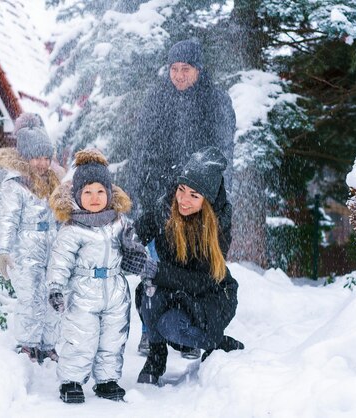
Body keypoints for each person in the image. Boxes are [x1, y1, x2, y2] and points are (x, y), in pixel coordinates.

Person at [124, 38, 237, 357]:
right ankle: (152, 332)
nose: (178, 75)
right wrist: (141, 189)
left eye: (185, 69)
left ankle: (191, 328)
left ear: (198, 70)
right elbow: (142, 147)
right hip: (162, 196)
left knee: (195, 266)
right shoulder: (156, 99)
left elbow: (222, 149)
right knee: (154, 265)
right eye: (174, 69)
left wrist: (210, 191)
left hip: (200, 200)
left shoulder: (215, 100)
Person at [47, 149, 156, 403]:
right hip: (84, 290)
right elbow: (60, 261)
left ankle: (107, 380)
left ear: (109, 193)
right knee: (80, 338)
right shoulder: (73, 229)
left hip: (116, 289)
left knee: (113, 338)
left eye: (100, 192)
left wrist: (141, 262)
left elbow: (133, 247)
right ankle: (71, 381)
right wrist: (55, 287)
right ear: (77, 195)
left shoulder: (119, 222)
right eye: (87, 192)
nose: (95, 198)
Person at [134, 147, 243, 385]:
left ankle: (218, 342)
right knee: (148, 294)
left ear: (208, 200)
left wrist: (156, 270)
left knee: (171, 326)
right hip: (174, 289)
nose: (183, 200)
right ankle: (156, 357)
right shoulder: (166, 208)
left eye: (194, 195)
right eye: (181, 189)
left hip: (210, 296)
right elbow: (137, 232)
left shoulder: (218, 225)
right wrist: (127, 245)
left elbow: (201, 280)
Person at [0, 113, 63, 364]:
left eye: (46, 157)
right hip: (25, 250)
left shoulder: (53, 182)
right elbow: (8, 220)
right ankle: (27, 343)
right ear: (25, 157)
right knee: (30, 297)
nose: (42, 163)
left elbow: (62, 215)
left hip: (51, 247)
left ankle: (48, 344)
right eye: (36, 157)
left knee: (52, 296)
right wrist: (3, 251)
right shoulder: (16, 185)